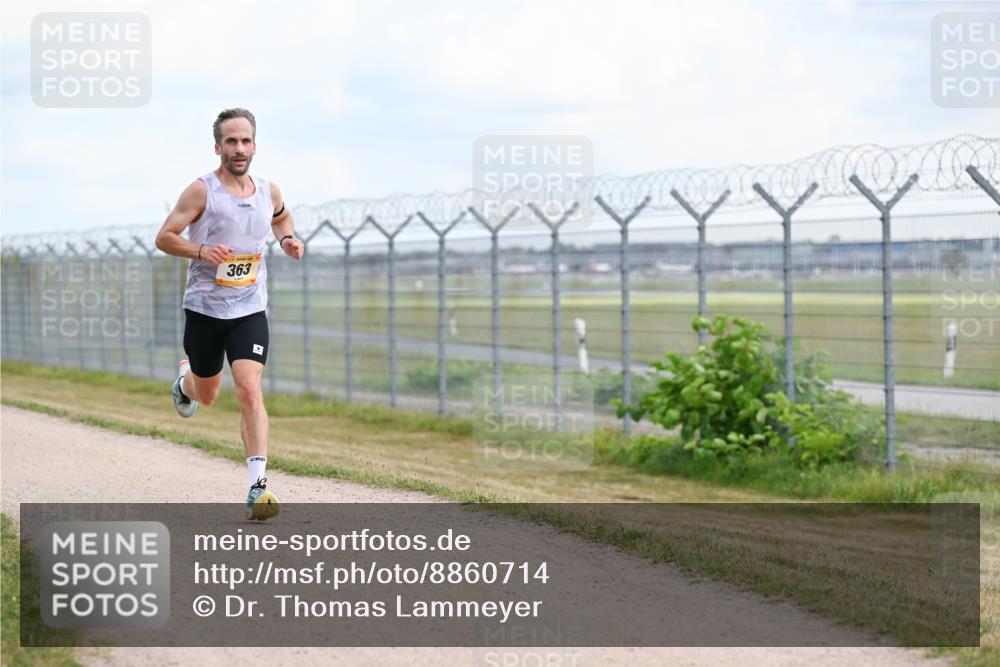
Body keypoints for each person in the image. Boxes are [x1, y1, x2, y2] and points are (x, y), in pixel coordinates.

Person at [155, 108, 304, 520]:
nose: (239, 148)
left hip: (250, 307)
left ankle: (258, 487)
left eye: (245, 141)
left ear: (255, 146)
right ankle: (185, 382)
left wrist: (288, 239)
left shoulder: (268, 190)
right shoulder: (201, 191)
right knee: (207, 394)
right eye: (231, 141)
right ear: (218, 146)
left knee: (249, 388)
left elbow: (281, 218)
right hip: (205, 308)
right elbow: (164, 238)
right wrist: (201, 250)